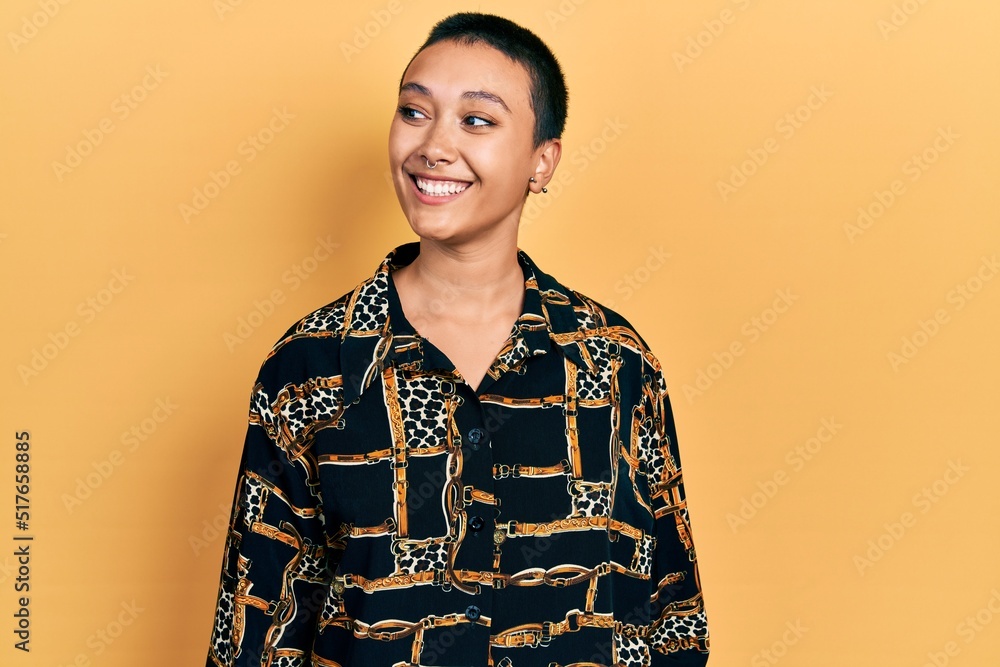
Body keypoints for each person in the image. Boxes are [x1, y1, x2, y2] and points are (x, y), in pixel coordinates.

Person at [206, 11, 710, 666]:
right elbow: (254, 633)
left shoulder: (616, 363)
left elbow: (675, 620)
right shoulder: (310, 365)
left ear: (542, 159)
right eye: (415, 113)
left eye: (476, 120)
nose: (433, 146)